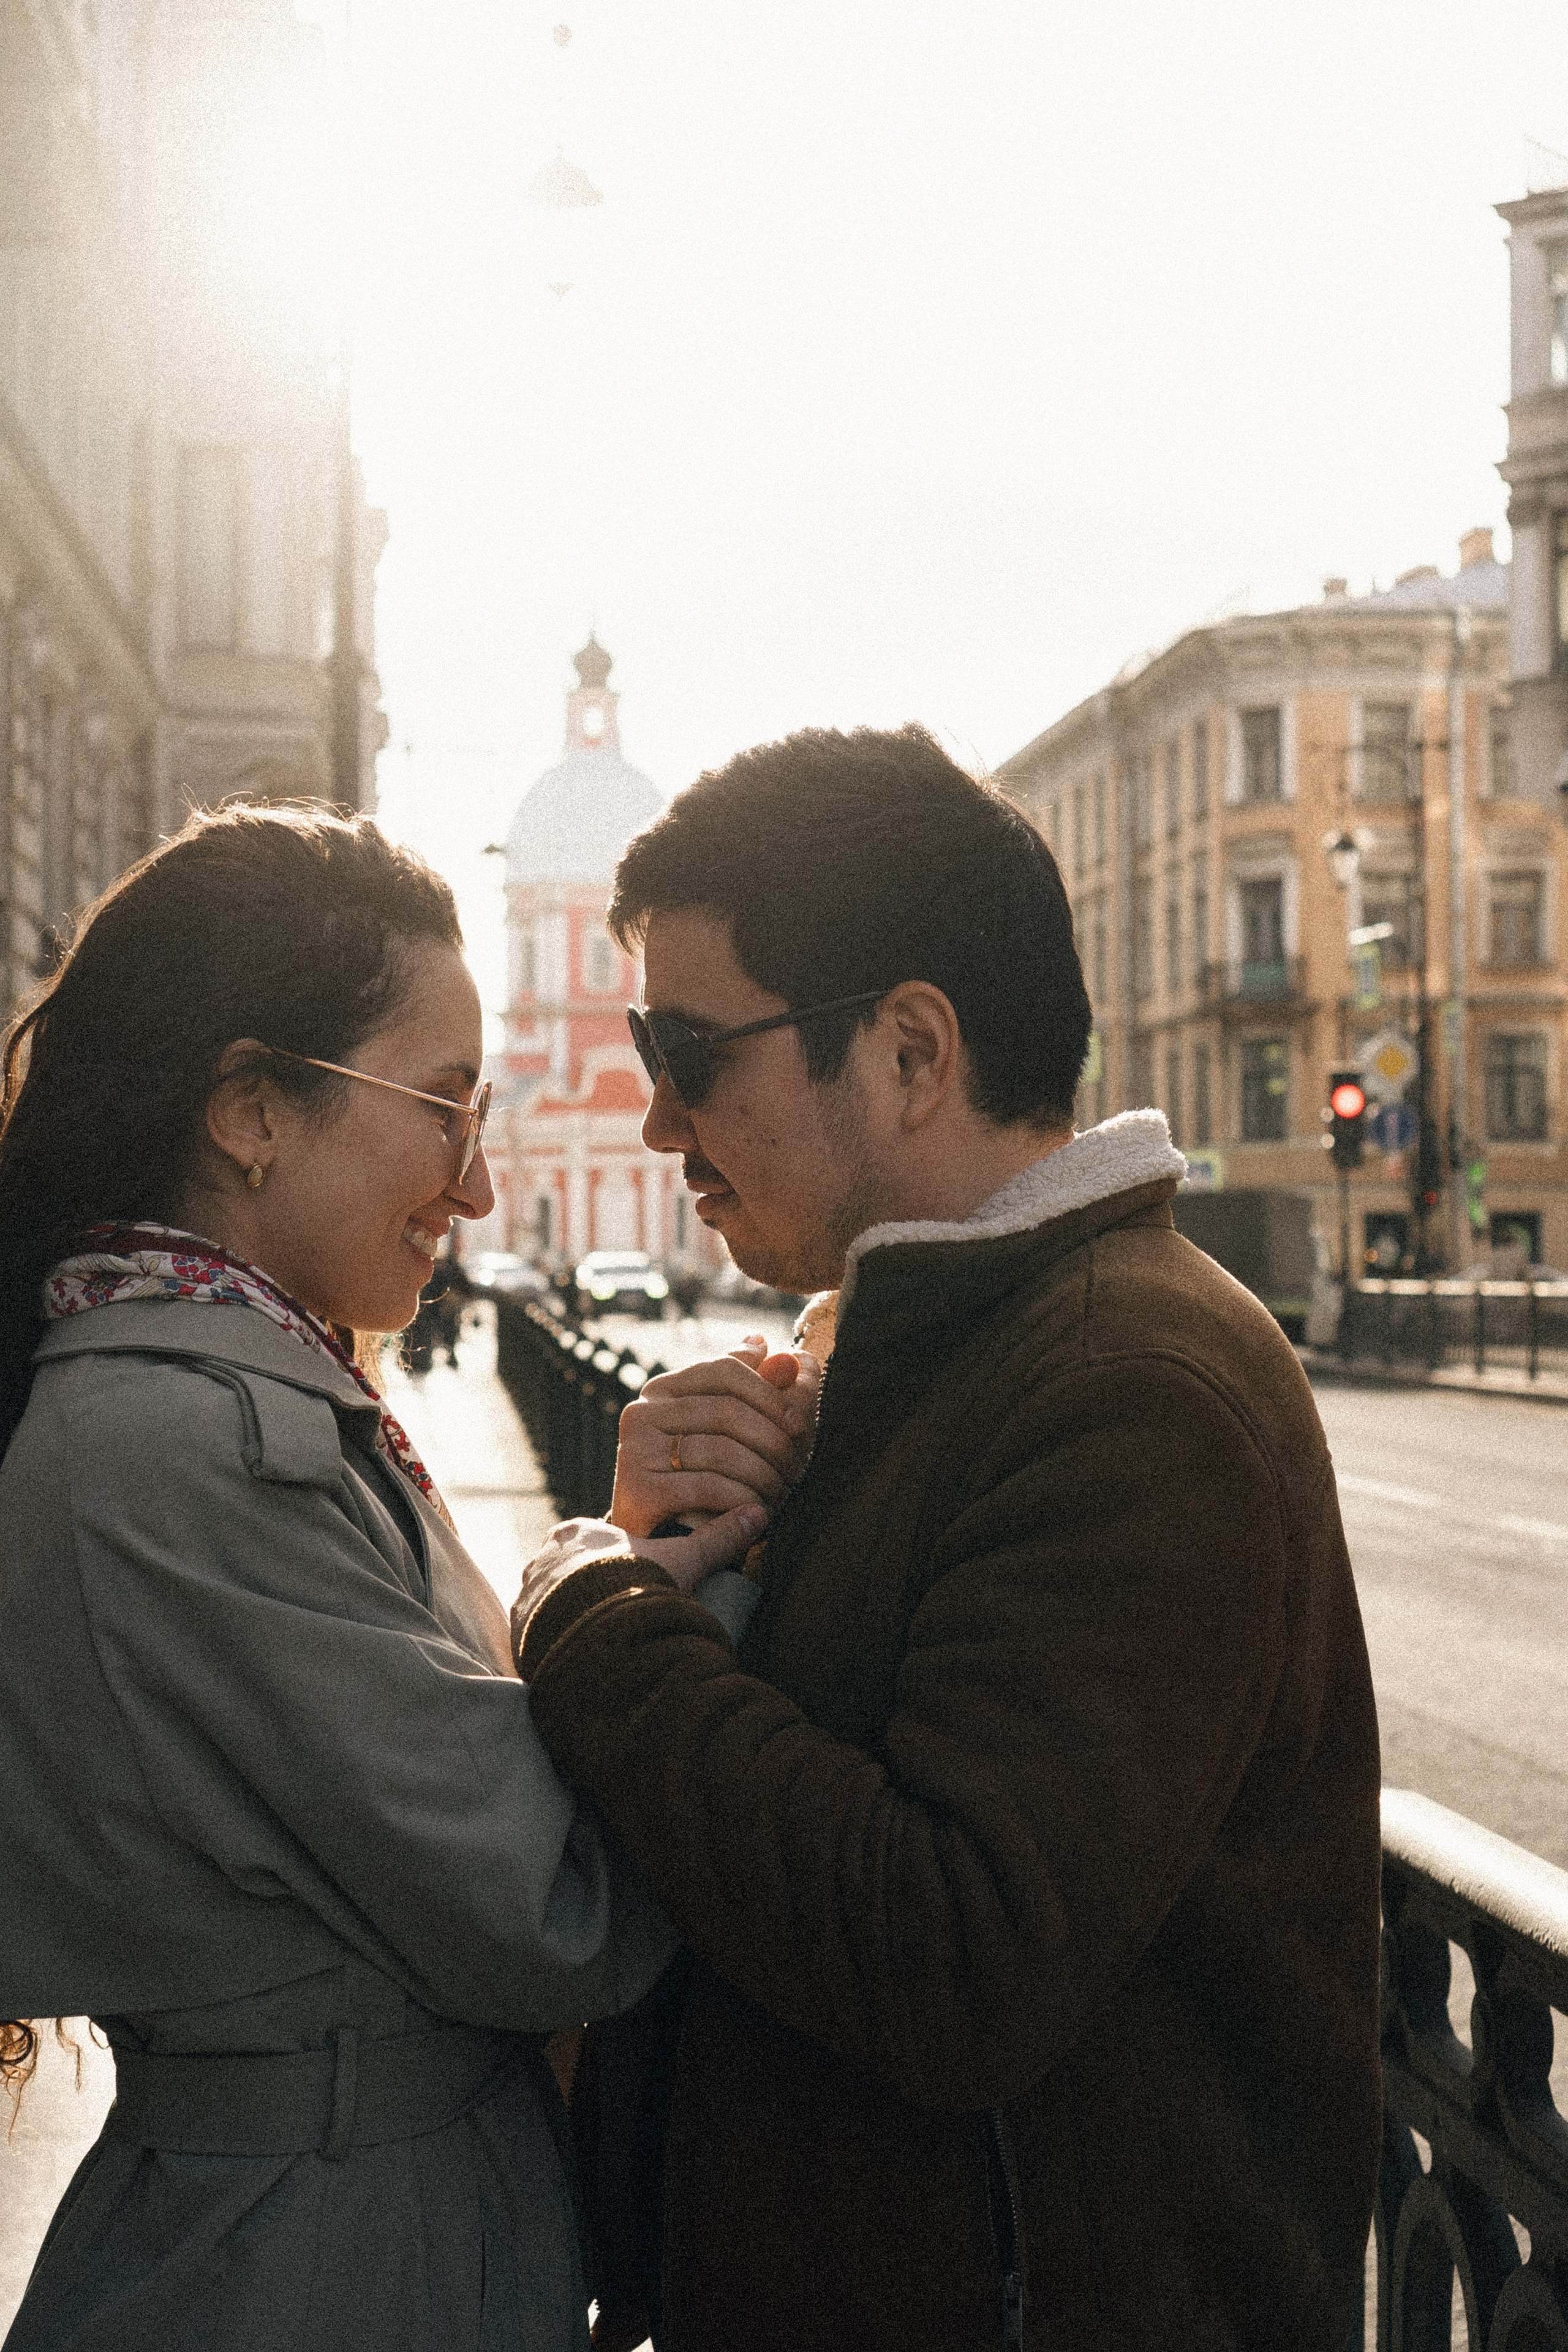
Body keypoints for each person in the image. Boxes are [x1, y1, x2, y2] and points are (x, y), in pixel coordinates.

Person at [510, 725, 1384, 2352]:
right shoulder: (936, 1346)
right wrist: (688, 1538)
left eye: (689, 1053)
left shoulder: (1128, 1384)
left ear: (911, 1050)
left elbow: (956, 1955)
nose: (656, 1123)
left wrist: (595, 1611)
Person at [0, 805, 756, 2352]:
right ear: (251, 1113)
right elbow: (549, 1906)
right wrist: (705, 1570)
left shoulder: (237, 1400)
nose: (475, 1188)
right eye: (440, 1108)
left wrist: (624, 1548)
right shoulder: (192, 1446)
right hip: (322, 2261)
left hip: (327, 2228)